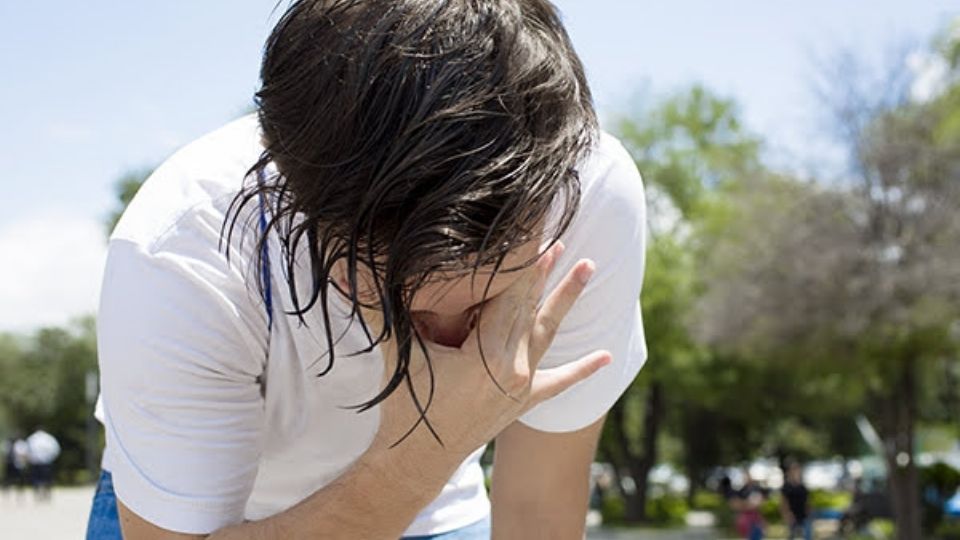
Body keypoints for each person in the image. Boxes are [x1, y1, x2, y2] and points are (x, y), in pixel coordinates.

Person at [86, 1, 648, 539]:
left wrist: (424, 468)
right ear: (298, 213)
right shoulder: (184, 253)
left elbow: (535, 510)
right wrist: (416, 460)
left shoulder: (591, 200)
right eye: (410, 308)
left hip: (438, 514)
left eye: (488, 301)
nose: (464, 353)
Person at [26, 426, 60, 502]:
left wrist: (30, 459)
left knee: (36, 480)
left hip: (35, 463)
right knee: (47, 479)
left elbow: (27, 451)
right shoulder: (49, 438)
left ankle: (37, 495)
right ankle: (47, 494)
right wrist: (50, 458)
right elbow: (56, 449)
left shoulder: (32, 438)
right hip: (47, 462)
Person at [780, 463, 811, 540]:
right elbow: (783, 502)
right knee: (792, 535)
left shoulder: (802, 487)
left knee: (807, 535)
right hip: (792, 515)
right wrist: (787, 514)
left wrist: (809, 511)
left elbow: (807, 501)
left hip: (803, 515)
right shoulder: (787, 486)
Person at [2, 434, 29, 498]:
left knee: (18, 478)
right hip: (11, 464)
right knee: (9, 478)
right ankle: (7, 490)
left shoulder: (20, 444)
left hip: (17, 464)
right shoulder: (8, 444)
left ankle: (19, 490)